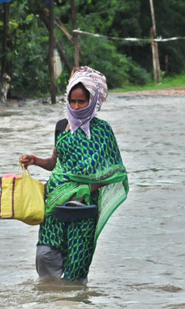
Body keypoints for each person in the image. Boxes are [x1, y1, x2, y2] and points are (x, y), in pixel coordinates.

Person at [20, 67, 128, 283]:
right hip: (55, 202)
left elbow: (114, 172)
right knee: (45, 255)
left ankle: (74, 308)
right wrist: (35, 161)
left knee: (77, 268)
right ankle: (50, 305)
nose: (76, 106)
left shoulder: (102, 131)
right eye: (73, 101)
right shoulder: (62, 126)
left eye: (82, 101)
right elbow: (55, 163)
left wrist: (84, 189)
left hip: (84, 207)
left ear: (93, 100)